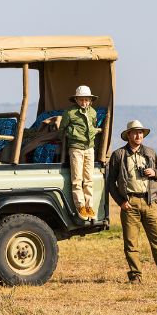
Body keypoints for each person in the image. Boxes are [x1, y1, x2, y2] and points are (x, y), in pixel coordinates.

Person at [106, 119, 157, 284]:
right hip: (129, 203)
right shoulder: (118, 155)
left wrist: (154, 172)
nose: (138, 135)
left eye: (140, 132)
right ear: (128, 135)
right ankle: (135, 276)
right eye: (135, 132)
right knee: (131, 243)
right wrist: (120, 202)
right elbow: (110, 182)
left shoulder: (150, 153)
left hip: (150, 202)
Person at [59, 85, 102, 220]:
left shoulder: (93, 113)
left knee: (89, 179)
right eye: (81, 100)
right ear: (76, 100)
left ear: (90, 100)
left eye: (86, 100)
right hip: (76, 148)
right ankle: (80, 206)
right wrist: (72, 134)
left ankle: (89, 206)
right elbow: (62, 129)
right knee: (77, 179)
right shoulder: (70, 113)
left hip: (90, 148)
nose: (84, 102)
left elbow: (93, 127)